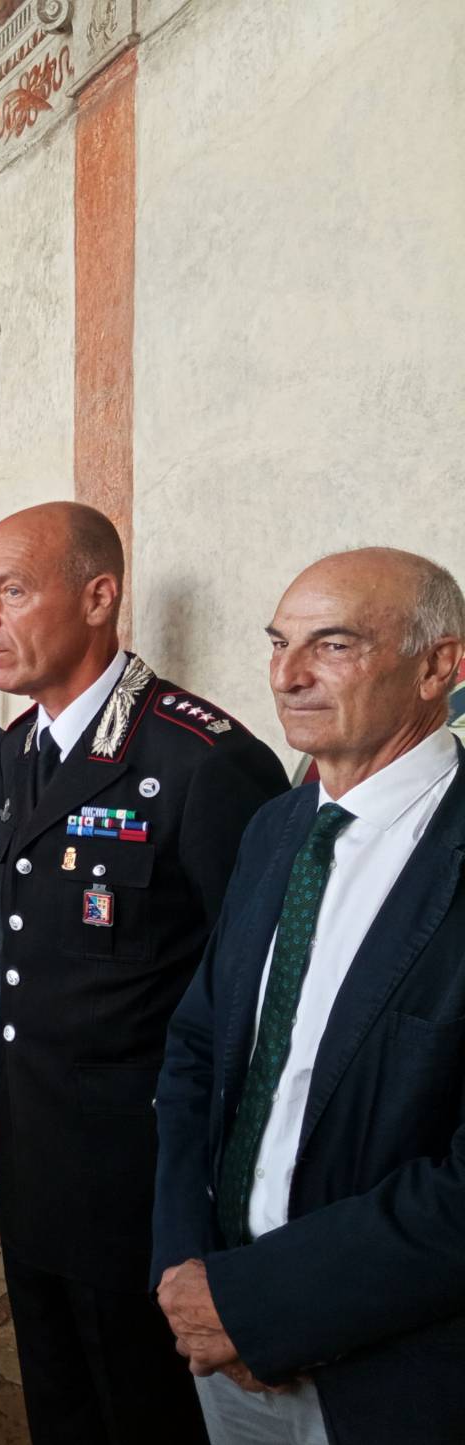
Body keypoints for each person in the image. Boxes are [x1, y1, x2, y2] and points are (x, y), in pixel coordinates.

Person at [0, 502, 288, 1445]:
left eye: (11, 591)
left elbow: (254, 1005)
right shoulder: (7, 757)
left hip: (144, 1188)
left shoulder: (201, 761)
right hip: (35, 1176)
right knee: (60, 1403)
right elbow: (15, 958)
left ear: (99, 596)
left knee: (143, 1416)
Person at [154, 549, 465, 1444]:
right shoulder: (280, 827)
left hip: (400, 1368)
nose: (288, 676)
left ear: (439, 666)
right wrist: (185, 1268)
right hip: (219, 1333)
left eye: (332, 645)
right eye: (279, 643)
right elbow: (198, 1052)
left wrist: (265, 1303)